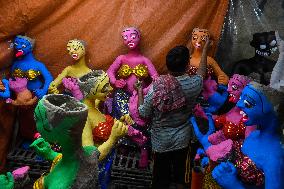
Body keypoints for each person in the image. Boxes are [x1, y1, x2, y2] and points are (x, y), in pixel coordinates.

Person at [135, 39, 210, 189]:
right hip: (183, 138)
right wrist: (204, 50)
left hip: (160, 141)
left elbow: (143, 113)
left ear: (167, 65)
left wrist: (139, 90)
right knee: (181, 175)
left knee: (160, 177)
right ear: (187, 65)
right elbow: (201, 74)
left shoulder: (157, 87)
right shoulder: (193, 84)